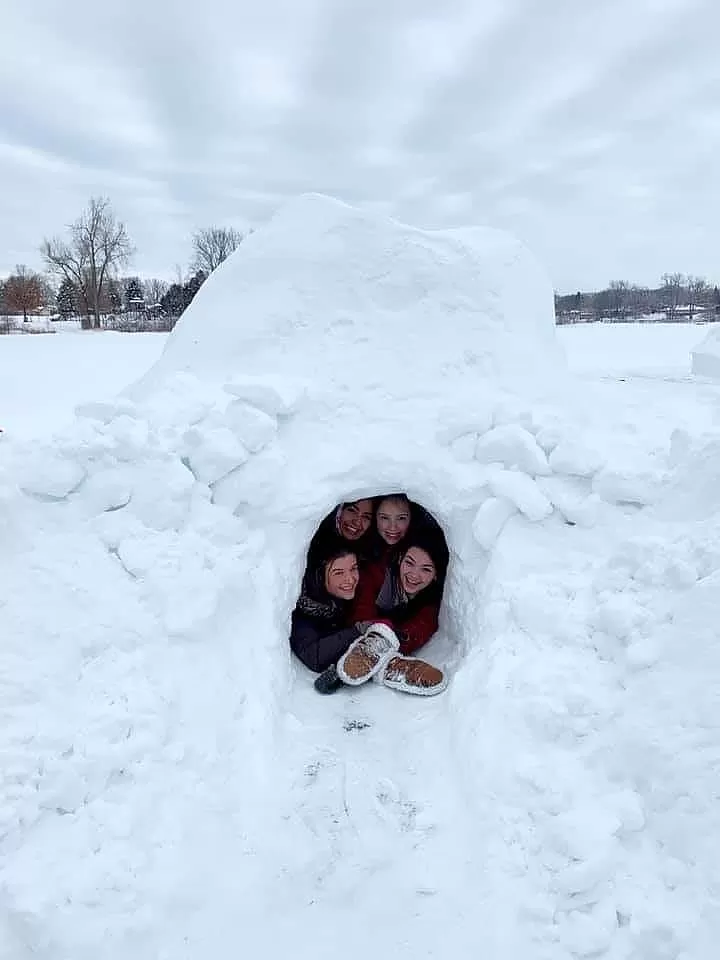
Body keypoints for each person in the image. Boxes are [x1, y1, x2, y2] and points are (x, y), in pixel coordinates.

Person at [351, 530, 449, 657]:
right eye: (409, 563)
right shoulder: (378, 577)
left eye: (426, 569)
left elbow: (422, 627)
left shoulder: (432, 600)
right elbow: (361, 613)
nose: (414, 575)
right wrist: (382, 628)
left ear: (436, 575)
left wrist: (399, 637)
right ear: (400, 559)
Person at [290, 548, 364, 674]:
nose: (350, 579)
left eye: (353, 569)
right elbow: (313, 656)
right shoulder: (305, 609)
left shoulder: (346, 596)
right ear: (320, 576)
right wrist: (357, 631)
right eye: (339, 573)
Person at [306, 499, 375, 570]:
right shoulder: (314, 545)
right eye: (352, 510)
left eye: (366, 517)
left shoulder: (372, 554)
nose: (357, 522)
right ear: (339, 511)